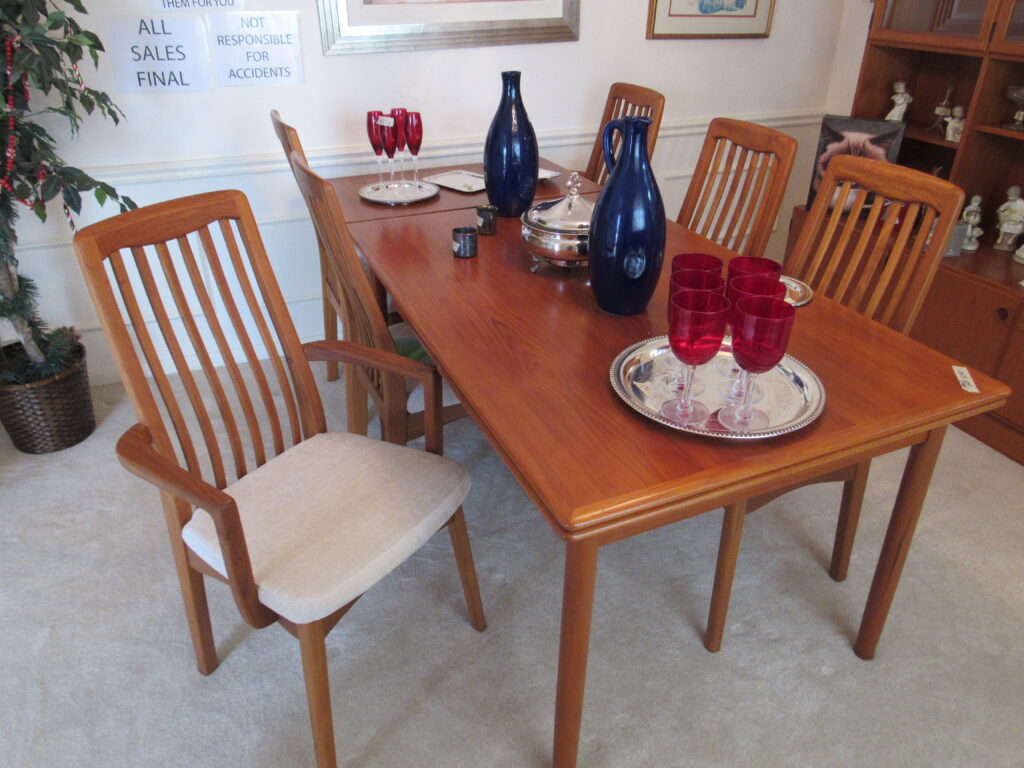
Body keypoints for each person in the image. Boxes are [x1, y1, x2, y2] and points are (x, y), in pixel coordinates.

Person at [996, 185, 1024, 251]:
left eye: (1012, 195)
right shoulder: (1009, 203)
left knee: (1019, 228)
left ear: (1017, 195)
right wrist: (1001, 215)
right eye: (1009, 195)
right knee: (1004, 226)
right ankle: (1001, 237)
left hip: (1017, 220)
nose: (1009, 197)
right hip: (1010, 219)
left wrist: (1019, 217)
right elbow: (1000, 209)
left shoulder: (1021, 203)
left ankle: (1011, 239)